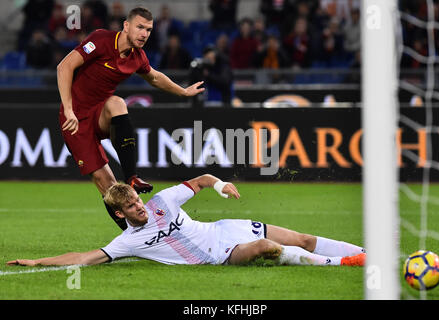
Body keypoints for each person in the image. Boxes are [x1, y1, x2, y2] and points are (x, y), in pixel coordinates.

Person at [7, 174, 366, 268]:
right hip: (221, 254)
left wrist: (221, 185)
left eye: (137, 199)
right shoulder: (128, 242)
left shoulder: (162, 200)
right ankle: (343, 264)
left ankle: (366, 251)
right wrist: (38, 261)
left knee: (300, 238)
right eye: (132, 207)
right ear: (120, 215)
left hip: (226, 227)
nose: (140, 206)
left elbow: (200, 181)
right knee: (267, 248)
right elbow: (84, 257)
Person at [57, 7, 205, 230]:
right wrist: (68, 109)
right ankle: (134, 235)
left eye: (148, 29)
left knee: (117, 103)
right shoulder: (100, 40)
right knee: (107, 185)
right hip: (75, 119)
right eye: (140, 27)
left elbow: (154, 77)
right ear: (126, 26)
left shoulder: (138, 57)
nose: (144, 34)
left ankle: (132, 176)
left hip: (100, 114)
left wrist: (183, 92)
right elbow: (64, 66)